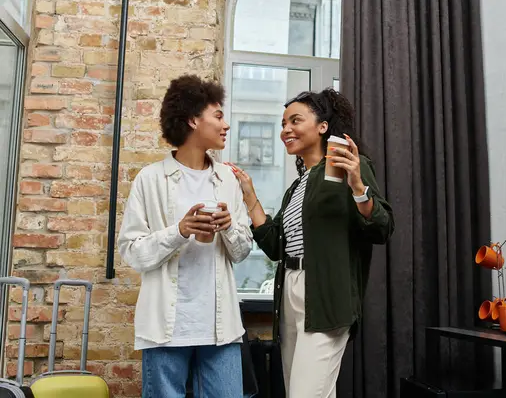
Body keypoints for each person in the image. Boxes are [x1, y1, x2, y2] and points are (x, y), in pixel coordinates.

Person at [226, 88, 395, 397]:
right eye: (283, 123)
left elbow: (382, 227)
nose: (285, 130)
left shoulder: (349, 167)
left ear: (322, 126)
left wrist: (358, 185)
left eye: (295, 120)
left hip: (326, 294)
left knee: (306, 394)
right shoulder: (296, 188)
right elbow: (276, 244)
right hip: (290, 290)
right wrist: (249, 194)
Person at [117, 75, 253, 397]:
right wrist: (179, 231)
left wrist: (229, 227)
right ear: (193, 120)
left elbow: (242, 251)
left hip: (220, 329)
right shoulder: (150, 180)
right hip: (166, 330)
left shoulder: (228, 180)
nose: (226, 124)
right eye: (218, 116)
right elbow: (131, 251)